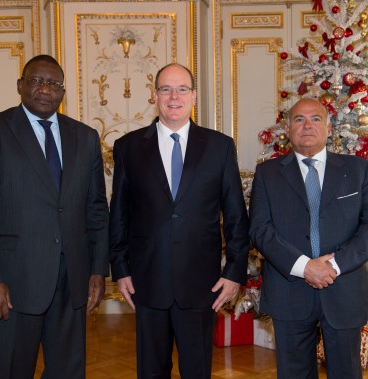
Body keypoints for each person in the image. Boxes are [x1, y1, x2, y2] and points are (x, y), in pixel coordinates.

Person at [0, 54, 109, 378]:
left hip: (71, 283)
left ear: (62, 92)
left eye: (53, 83)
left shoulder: (85, 137)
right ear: (20, 86)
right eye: (36, 81)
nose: (44, 89)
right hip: (10, 284)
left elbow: (96, 208)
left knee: (68, 372)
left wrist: (98, 269)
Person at [109, 63, 249, 378]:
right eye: (166, 89)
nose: (174, 96)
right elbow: (118, 212)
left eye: (182, 89)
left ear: (194, 96)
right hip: (147, 280)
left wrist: (235, 271)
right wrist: (120, 268)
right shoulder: (128, 147)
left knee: (197, 370)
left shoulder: (219, 146)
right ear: (154, 95)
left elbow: (236, 215)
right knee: (151, 371)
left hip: (202, 284)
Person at [249, 98, 368, 379]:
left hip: (343, 289)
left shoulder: (358, 170)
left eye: (315, 119)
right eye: (299, 119)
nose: (307, 126)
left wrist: (333, 266)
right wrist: (304, 266)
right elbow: (260, 230)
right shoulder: (267, 174)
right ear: (288, 129)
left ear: (328, 127)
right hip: (290, 291)